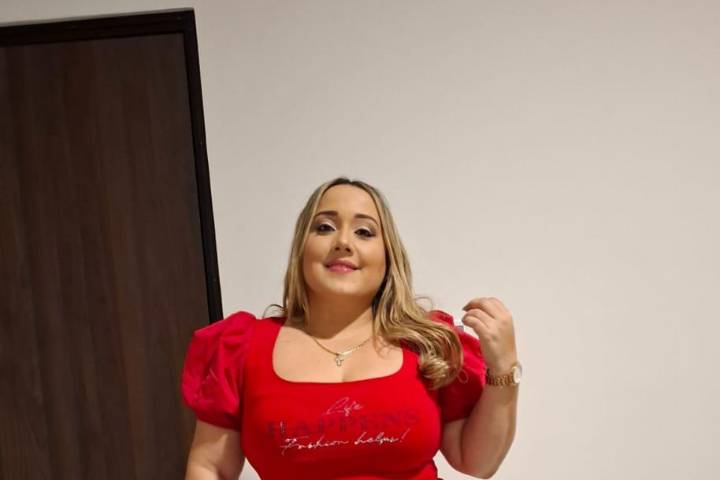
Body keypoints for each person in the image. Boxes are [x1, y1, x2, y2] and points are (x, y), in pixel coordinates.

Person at [181, 177, 521, 479]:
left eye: (364, 232)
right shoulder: (240, 348)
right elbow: (211, 468)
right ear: (301, 249)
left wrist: (504, 367)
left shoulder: (428, 343)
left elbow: (477, 462)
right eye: (324, 227)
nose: (343, 242)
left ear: (388, 256)